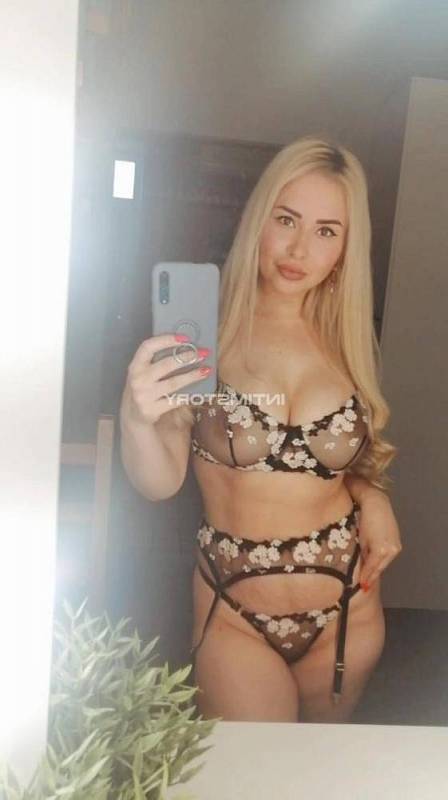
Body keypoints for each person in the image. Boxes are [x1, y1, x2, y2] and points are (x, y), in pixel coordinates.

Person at [120, 136, 402, 724]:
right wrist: (137, 416)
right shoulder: (207, 335)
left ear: (345, 249)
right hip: (235, 611)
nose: (300, 248)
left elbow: (334, 469)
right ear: (259, 221)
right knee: (255, 772)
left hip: (347, 608)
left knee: (319, 770)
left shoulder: (347, 341)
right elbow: (160, 482)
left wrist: (373, 497)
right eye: (286, 219)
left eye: (326, 231)